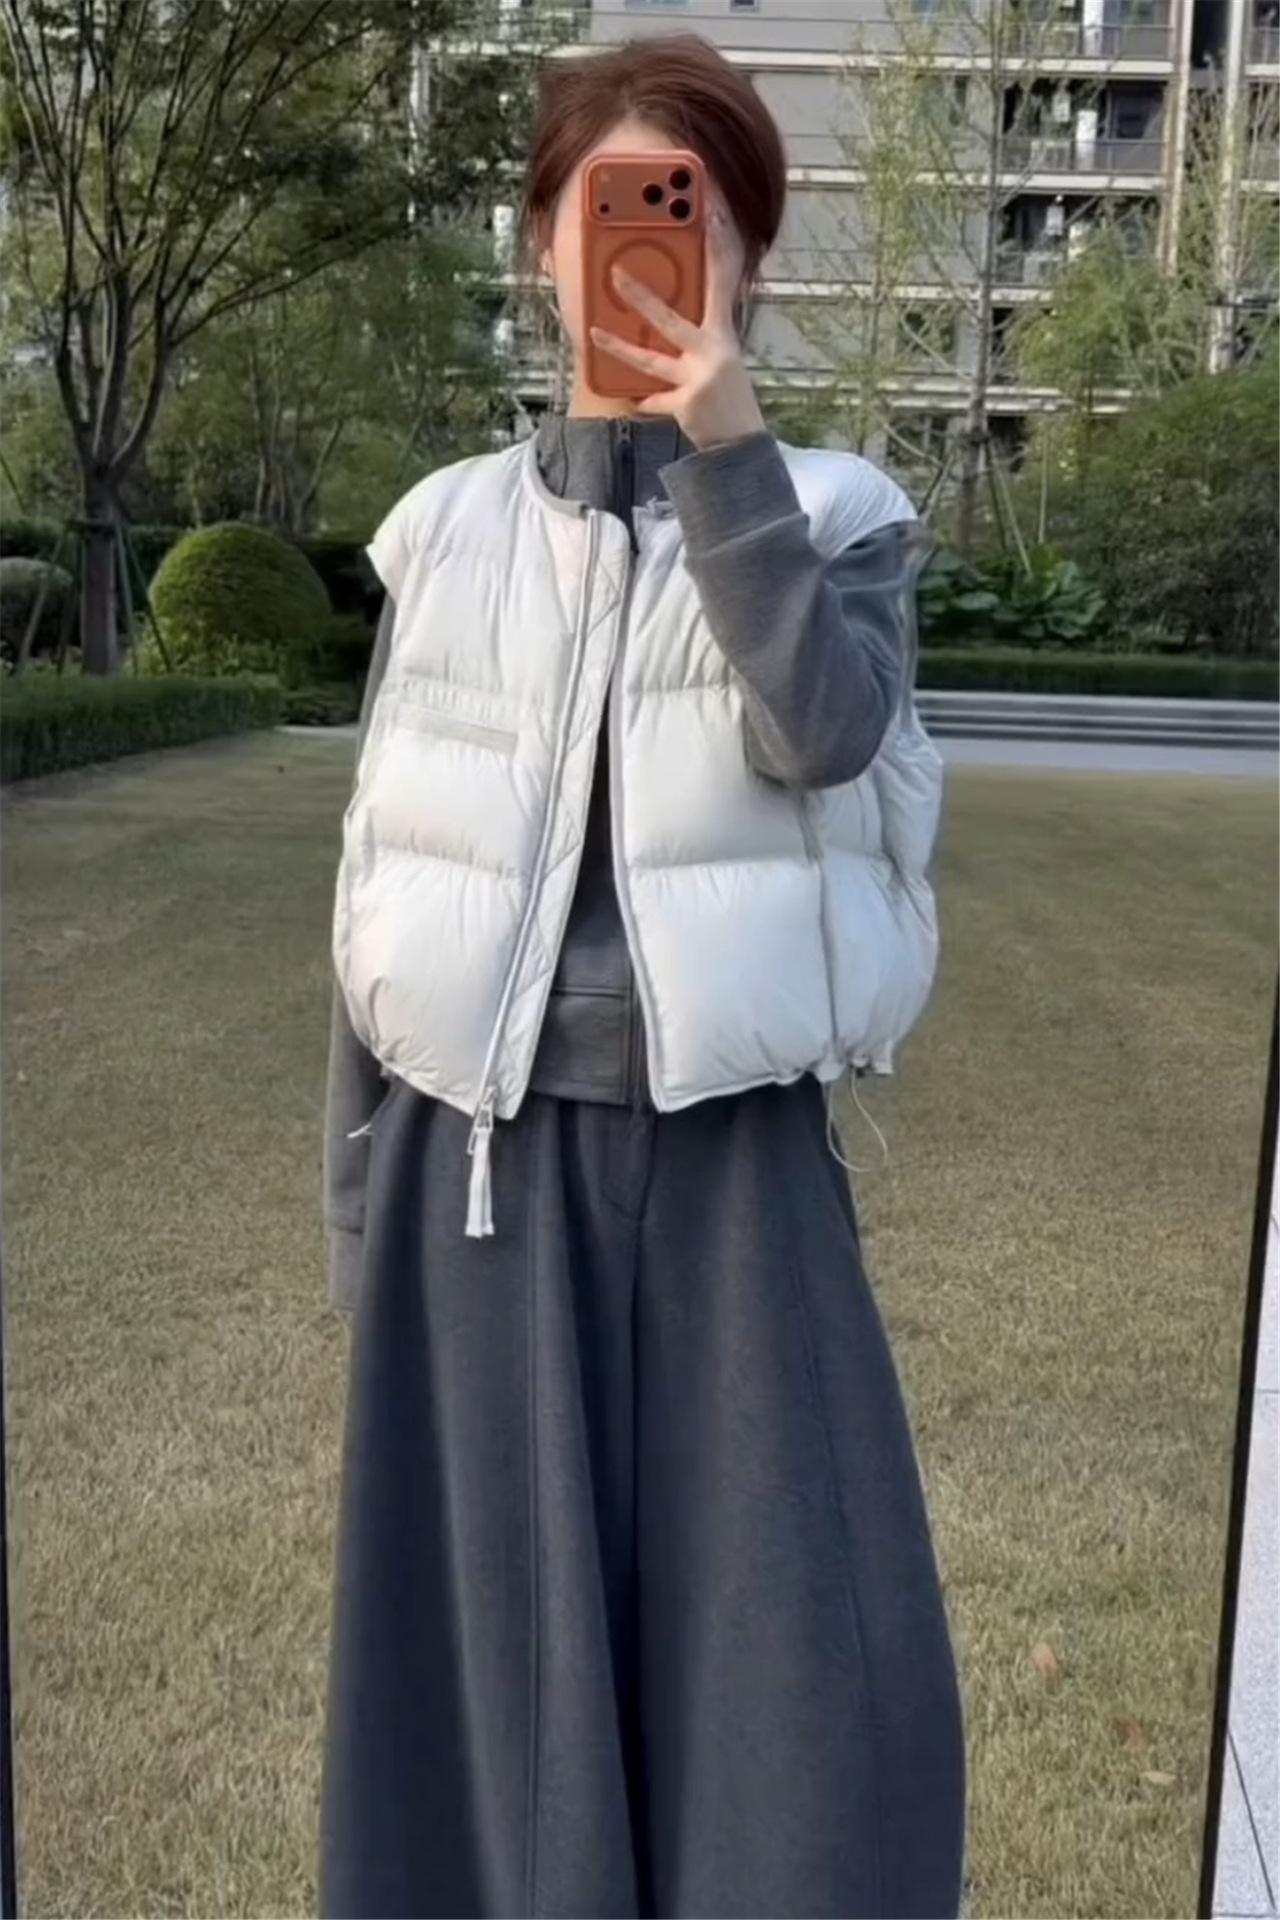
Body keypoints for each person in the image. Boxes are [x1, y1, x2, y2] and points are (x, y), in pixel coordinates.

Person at [318, 32, 965, 1920]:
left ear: (750, 252)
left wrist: (727, 463)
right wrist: (362, 1216)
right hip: (473, 1186)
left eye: (694, 215)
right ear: (542, 246)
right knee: (484, 1720)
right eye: (609, 211)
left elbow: (825, 733)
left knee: (796, 1702)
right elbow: (386, 880)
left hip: (733, 1174)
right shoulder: (443, 534)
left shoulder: (838, 515)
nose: (653, 252)